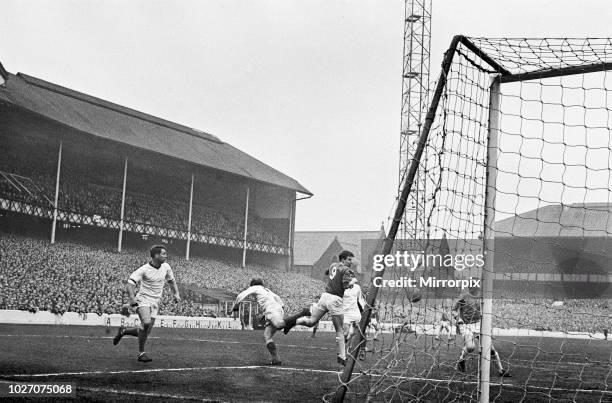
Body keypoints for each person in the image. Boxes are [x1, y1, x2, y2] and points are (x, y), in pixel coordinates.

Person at [284, 250, 356, 366]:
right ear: (343, 259)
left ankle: (292, 322)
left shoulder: (333, 265)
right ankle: (342, 356)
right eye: (349, 259)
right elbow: (346, 286)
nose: (351, 262)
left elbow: (329, 272)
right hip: (335, 299)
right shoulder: (346, 270)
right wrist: (353, 280)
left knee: (311, 322)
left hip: (324, 296)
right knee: (340, 330)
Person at [112, 245, 181, 362]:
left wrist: (176, 294)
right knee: (146, 322)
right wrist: (132, 298)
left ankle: (124, 331)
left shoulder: (166, 267)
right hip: (143, 299)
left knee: (146, 330)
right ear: (156, 255)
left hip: (155, 301)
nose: (166, 256)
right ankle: (141, 353)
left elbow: (172, 281)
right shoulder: (144, 269)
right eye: (164, 254)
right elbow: (130, 284)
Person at [453, 287, 510, 377]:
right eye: (472, 286)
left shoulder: (482, 297)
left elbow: (485, 312)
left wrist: (488, 327)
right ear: (470, 287)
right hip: (466, 325)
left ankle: (501, 370)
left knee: (490, 349)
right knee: (470, 347)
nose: (475, 288)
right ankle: (461, 360)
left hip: (479, 324)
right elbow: (454, 310)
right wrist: (458, 318)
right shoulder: (464, 297)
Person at [232, 278, 285, 365]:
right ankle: (276, 359)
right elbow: (279, 300)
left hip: (271, 310)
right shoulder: (267, 290)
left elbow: (240, 296)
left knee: (279, 325)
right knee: (267, 336)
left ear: (252, 284)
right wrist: (278, 312)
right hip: (275, 310)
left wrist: (235, 308)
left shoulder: (255, 287)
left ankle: (298, 316)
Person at [342, 274, 367, 355]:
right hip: (345, 313)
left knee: (361, 331)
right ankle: (344, 346)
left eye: (351, 277)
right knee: (345, 333)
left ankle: (362, 351)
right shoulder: (341, 287)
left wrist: (364, 309)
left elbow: (360, 299)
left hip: (356, 312)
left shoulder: (357, 287)